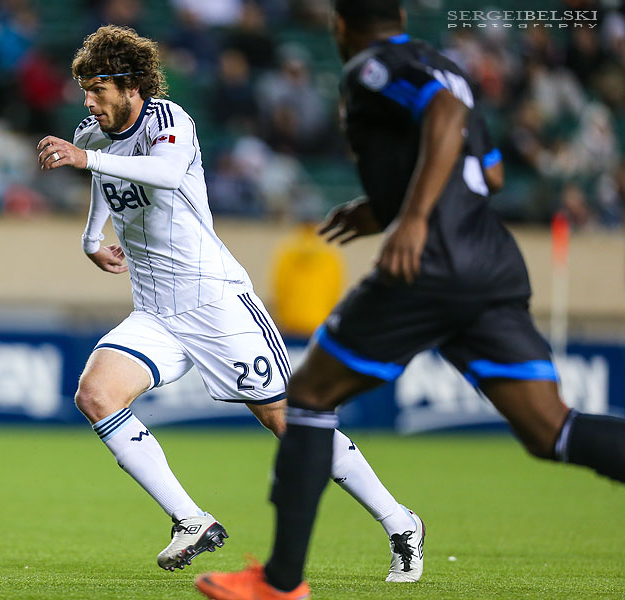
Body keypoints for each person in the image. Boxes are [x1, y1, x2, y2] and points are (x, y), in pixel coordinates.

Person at [196, 2, 625, 598]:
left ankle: (280, 582)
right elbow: (491, 175)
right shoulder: (447, 66)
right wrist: (385, 208)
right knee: (551, 429)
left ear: (341, 25)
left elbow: (443, 116)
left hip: (430, 266)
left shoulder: (372, 67)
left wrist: (415, 218)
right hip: (490, 265)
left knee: (311, 396)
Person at [36, 25, 425, 578]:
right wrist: (90, 237)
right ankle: (190, 520)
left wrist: (85, 159)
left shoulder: (169, 121)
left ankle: (400, 521)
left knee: (289, 422)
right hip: (155, 310)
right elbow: (103, 181)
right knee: (96, 394)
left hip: (215, 301)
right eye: (85, 90)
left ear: (130, 86)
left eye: (98, 89)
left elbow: (166, 174)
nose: (88, 101)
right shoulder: (93, 134)